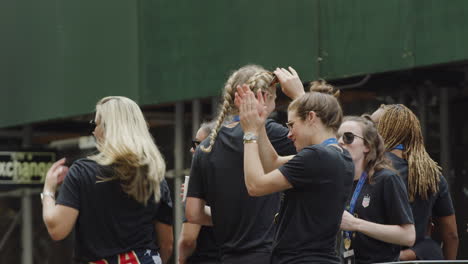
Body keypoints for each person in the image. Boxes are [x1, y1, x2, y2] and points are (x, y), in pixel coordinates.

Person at [42, 96, 173, 264]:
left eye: (95, 124)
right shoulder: (154, 175)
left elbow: (57, 229)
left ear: (106, 128)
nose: (94, 131)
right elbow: (167, 244)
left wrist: (48, 190)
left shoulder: (82, 171)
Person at [185, 65, 296, 264]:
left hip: (228, 256)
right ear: (263, 96)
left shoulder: (205, 147)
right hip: (271, 254)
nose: (276, 101)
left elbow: (193, 213)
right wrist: (300, 96)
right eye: (274, 96)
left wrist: (225, 217)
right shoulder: (272, 133)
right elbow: (321, 151)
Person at [237, 79, 354, 264]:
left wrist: (250, 133)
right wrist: (260, 125)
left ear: (311, 117)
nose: (289, 133)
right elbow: (273, 164)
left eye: (291, 125)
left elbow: (255, 186)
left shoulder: (316, 156)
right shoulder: (339, 155)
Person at [371, 104, 459, 260]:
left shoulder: (371, 170)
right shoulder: (432, 175)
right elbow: (451, 235)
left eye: (372, 126)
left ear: (381, 130)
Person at [337, 116, 415, 263]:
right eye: (338, 137)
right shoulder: (339, 180)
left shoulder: (387, 179)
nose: (340, 141)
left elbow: (408, 236)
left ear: (367, 145)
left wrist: (355, 224)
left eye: (348, 137)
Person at [178, 121, 219, 264]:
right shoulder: (235, 178)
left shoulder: (201, 181)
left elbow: (188, 239)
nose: (191, 149)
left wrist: (181, 259)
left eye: (197, 144)